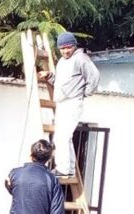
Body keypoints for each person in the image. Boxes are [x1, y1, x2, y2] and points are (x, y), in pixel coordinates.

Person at [39, 31, 100, 176]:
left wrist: (84, 93)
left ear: (74, 46)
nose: (66, 51)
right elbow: (60, 83)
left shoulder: (81, 58)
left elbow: (94, 76)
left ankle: (64, 169)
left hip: (73, 102)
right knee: (64, 137)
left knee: (62, 137)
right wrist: (49, 76)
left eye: (68, 47)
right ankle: (70, 169)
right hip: (62, 102)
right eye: (62, 48)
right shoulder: (61, 62)